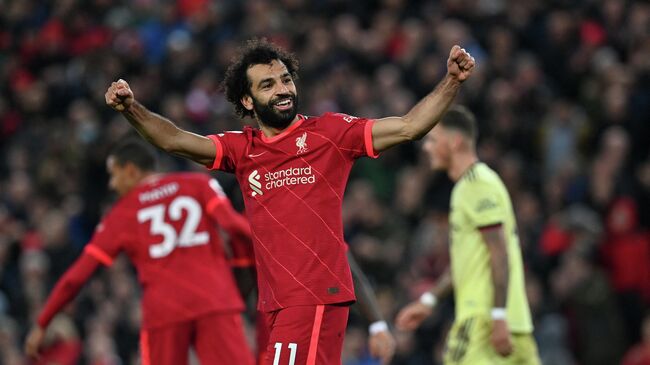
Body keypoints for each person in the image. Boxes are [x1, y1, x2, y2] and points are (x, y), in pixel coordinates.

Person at [105, 39, 475, 365]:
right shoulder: (242, 149)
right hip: (277, 305)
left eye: (285, 79)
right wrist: (131, 109)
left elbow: (410, 126)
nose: (282, 89)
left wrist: (452, 82)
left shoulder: (330, 133)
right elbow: (174, 140)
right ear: (247, 100)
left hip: (313, 296)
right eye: (268, 85)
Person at [24, 141, 255, 365]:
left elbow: (76, 276)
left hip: (165, 311)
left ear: (131, 170)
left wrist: (43, 322)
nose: (113, 184)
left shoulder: (123, 213)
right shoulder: (198, 184)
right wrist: (271, 249)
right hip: (215, 299)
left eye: (114, 175)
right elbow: (234, 226)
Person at [395, 106, 541, 365]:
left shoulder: (476, 185)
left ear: (455, 142)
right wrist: (429, 300)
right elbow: (468, 261)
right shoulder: (470, 186)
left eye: (432, 140)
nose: (426, 147)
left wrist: (497, 316)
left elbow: (499, 252)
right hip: (513, 325)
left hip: (483, 326)